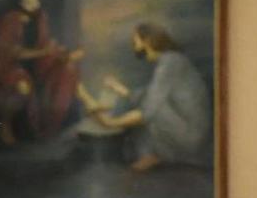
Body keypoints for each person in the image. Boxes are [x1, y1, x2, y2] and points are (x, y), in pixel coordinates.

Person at [84, 22, 212, 171]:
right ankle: (151, 155)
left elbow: (150, 108)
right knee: (148, 102)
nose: (133, 42)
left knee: (150, 109)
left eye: (135, 38)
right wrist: (117, 89)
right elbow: (148, 95)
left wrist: (111, 123)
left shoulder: (170, 63)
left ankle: (151, 155)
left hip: (192, 134)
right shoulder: (169, 60)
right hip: (187, 127)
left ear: (148, 41)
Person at [0, 0, 84, 145]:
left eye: (35, 0)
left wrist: (63, 55)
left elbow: (45, 45)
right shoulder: (10, 21)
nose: (33, 5)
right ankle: (8, 126)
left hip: (37, 66)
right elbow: (12, 53)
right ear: (19, 2)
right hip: (9, 68)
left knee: (67, 70)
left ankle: (49, 128)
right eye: (28, 1)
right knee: (22, 85)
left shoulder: (41, 18)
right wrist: (45, 53)